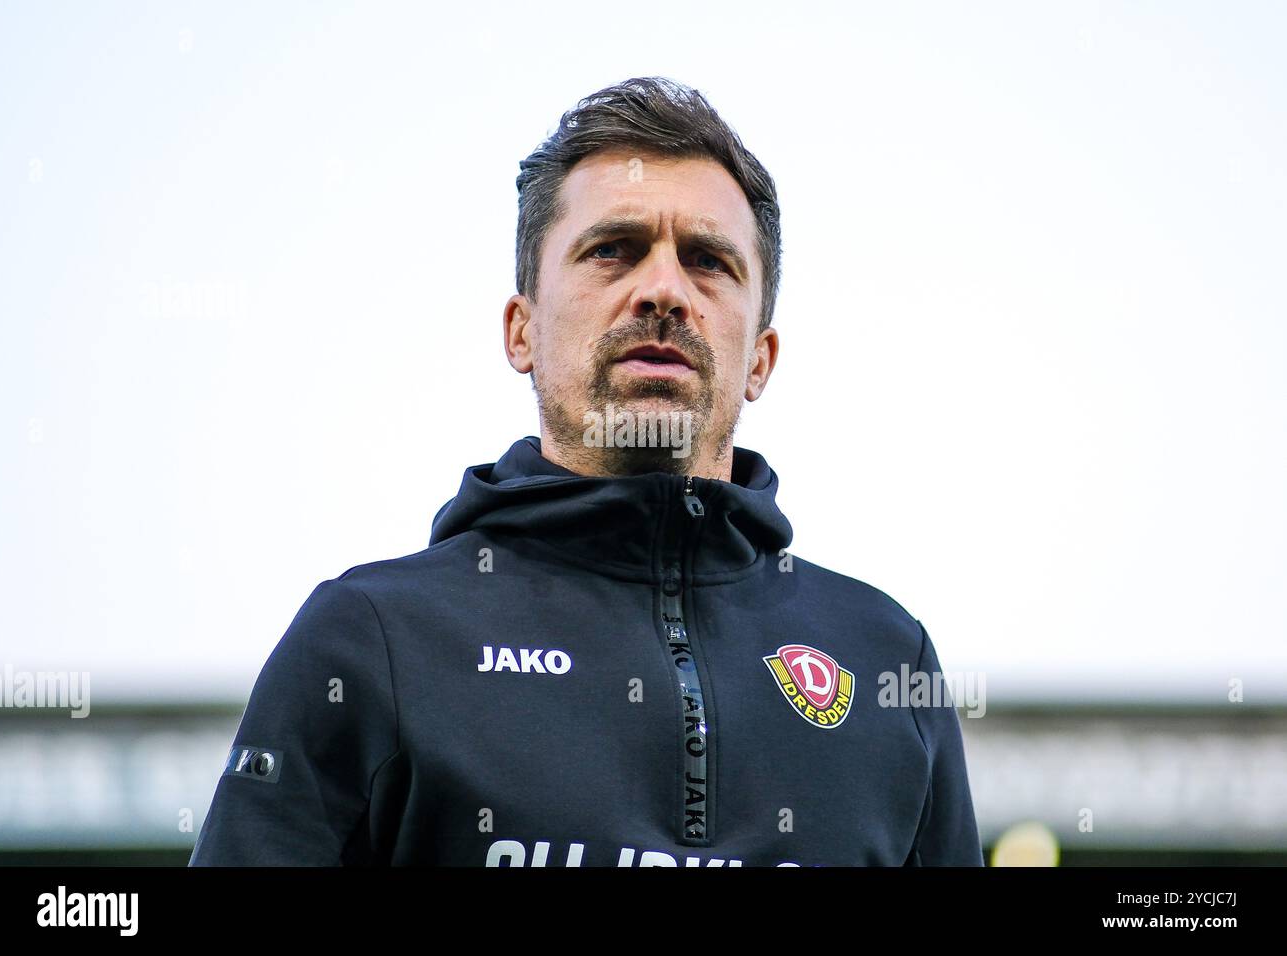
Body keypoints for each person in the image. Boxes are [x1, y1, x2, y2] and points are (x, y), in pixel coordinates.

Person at [189, 76, 983, 867]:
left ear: (760, 360)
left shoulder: (887, 661)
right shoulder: (368, 639)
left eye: (708, 261)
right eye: (614, 250)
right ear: (522, 330)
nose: (664, 291)